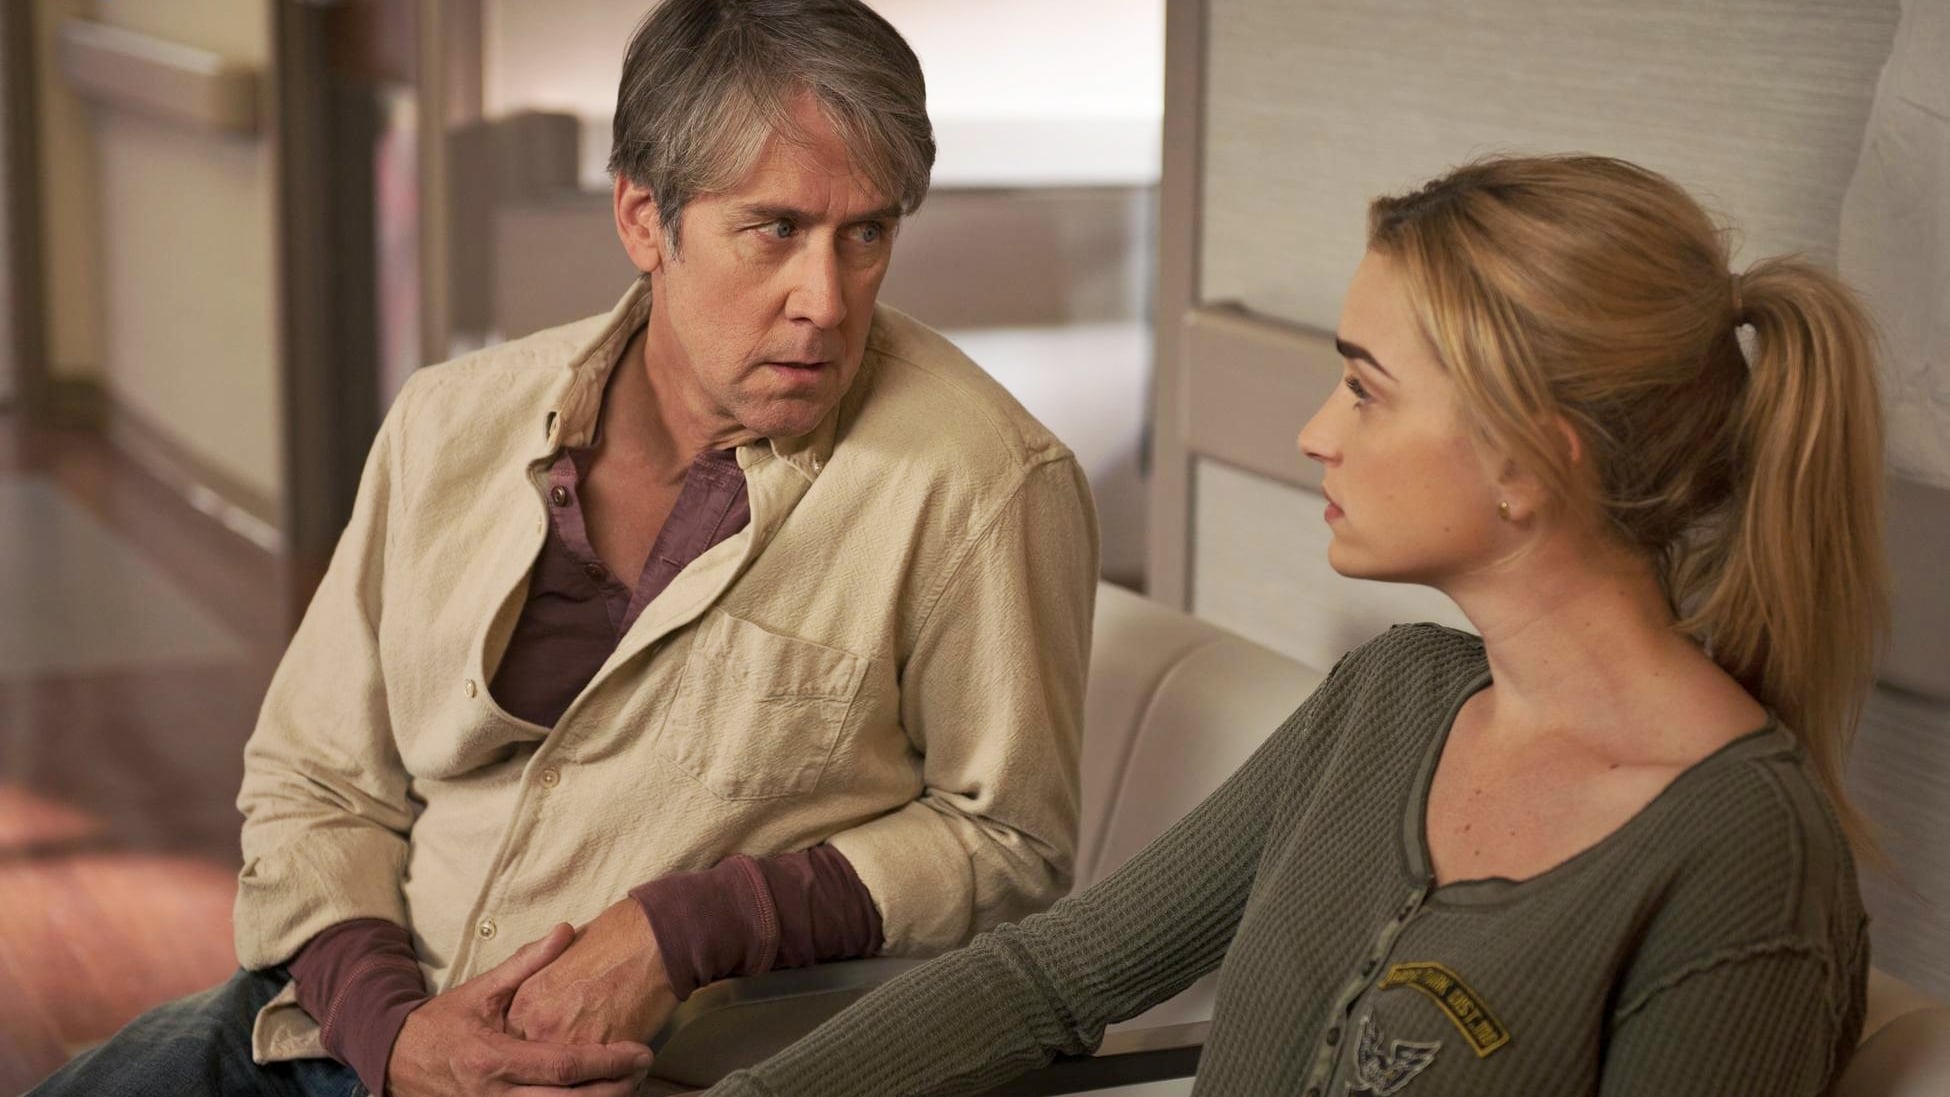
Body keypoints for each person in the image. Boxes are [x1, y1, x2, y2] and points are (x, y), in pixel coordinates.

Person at [30, 3, 1098, 1096]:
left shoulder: (984, 481)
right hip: (336, 1023)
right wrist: (393, 1032)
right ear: (642, 217)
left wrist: (686, 929)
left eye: (865, 234)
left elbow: (1011, 840)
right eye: (775, 229)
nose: (826, 302)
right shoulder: (448, 421)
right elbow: (318, 774)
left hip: (644, 1072)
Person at [697, 154, 1885, 1096]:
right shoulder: (1393, 696)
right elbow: (1048, 978)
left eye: (1365, 389)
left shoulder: (1743, 856)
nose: (1317, 432)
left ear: (1528, 459)